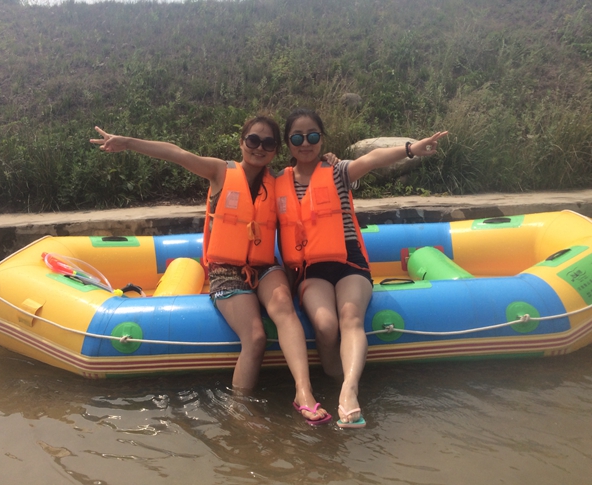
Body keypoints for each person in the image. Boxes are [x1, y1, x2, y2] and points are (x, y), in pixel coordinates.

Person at [90, 116, 332, 425]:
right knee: (256, 337)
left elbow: (313, 172)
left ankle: (303, 392)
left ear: (275, 150)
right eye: (253, 140)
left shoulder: (280, 180)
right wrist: (127, 143)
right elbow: (176, 153)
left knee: (284, 305)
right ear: (241, 142)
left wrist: (328, 159)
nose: (259, 148)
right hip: (225, 271)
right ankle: (240, 411)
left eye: (268, 143)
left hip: (264, 267)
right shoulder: (219, 171)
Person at [275, 108, 448, 428]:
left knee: (350, 317)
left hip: (349, 261)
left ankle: (349, 391)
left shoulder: (338, 170)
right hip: (311, 268)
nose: (305, 143)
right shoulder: (278, 184)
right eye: (297, 138)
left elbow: (372, 159)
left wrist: (411, 149)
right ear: (288, 143)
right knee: (325, 325)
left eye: (312, 136)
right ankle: (334, 379)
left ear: (321, 138)